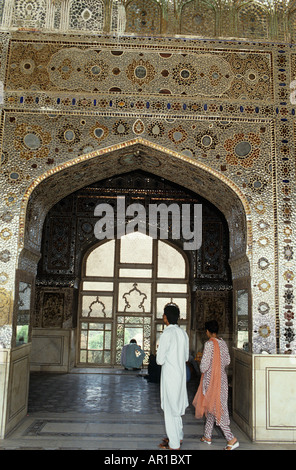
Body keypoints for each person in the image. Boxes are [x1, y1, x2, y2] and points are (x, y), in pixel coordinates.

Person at [193, 320, 239, 450]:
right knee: (212, 407)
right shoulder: (223, 343)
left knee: (217, 409)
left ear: (207, 331)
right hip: (222, 379)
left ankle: (231, 439)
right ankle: (207, 436)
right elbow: (228, 361)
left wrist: (201, 361)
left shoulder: (209, 344)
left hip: (211, 381)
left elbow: (203, 367)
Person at [156, 304, 189, 450]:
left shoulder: (166, 334)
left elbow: (159, 360)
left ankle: (174, 444)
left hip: (170, 376)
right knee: (176, 407)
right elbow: (186, 356)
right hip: (180, 375)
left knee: (170, 409)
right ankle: (178, 436)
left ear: (166, 317)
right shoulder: (183, 333)